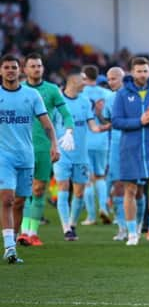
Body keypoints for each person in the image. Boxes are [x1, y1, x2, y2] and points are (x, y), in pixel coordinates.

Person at [0, 54, 58, 263]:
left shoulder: (32, 95)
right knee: (6, 199)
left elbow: (47, 124)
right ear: (1, 71)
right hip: (3, 156)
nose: (10, 71)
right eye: (6, 67)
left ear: (20, 70)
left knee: (20, 202)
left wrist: (54, 145)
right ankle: (9, 247)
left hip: (26, 156)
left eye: (14, 67)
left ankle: (12, 243)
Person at [15, 53, 74, 247]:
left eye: (39, 66)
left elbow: (66, 112)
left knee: (39, 190)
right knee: (22, 191)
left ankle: (32, 233)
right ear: (25, 69)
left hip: (43, 148)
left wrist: (69, 131)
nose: (36, 69)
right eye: (32, 66)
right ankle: (22, 232)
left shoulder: (51, 89)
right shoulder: (18, 90)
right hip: (21, 147)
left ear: (43, 68)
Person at [112, 57, 149, 246]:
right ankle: (131, 233)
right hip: (130, 147)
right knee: (130, 189)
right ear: (131, 72)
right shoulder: (122, 94)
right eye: (139, 71)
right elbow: (116, 121)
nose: (142, 74)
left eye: (145, 71)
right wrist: (139, 121)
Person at [54, 69, 109, 241]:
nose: (85, 83)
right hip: (62, 154)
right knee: (63, 188)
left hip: (81, 155)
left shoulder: (85, 101)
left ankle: (72, 224)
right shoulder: (57, 101)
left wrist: (105, 126)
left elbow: (92, 126)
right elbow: (48, 124)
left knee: (78, 193)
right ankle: (66, 228)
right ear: (72, 81)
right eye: (82, 80)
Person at [81, 65, 113, 225]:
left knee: (87, 179)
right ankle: (104, 208)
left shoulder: (79, 93)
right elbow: (111, 118)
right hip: (102, 140)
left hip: (84, 141)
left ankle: (91, 216)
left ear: (83, 76)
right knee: (101, 176)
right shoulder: (107, 94)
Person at [104, 66, 127, 241]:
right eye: (109, 79)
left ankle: (139, 225)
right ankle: (122, 227)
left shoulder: (132, 95)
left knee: (138, 189)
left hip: (133, 145)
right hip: (116, 145)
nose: (111, 82)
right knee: (118, 186)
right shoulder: (109, 97)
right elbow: (106, 117)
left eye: (114, 78)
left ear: (122, 78)